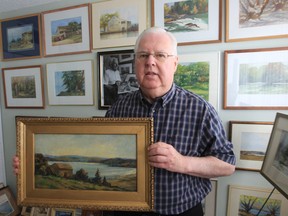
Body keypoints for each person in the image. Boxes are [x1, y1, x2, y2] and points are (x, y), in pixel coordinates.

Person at [13, 27, 236, 216]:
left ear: (175, 63)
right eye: (143, 55)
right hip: (122, 209)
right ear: (135, 62)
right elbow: (91, 150)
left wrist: (181, 162)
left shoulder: (200, 109)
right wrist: (32, 164)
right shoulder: (119, 106)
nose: (150, 62)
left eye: (160, 55)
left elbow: (227, 164)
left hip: (180, 211)